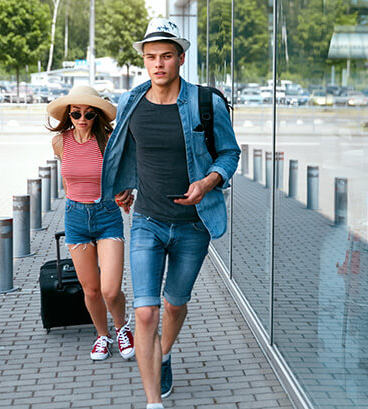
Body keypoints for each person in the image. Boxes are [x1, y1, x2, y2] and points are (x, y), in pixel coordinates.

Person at [100, 18, 240, 409]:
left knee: (175, 304)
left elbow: (230, 153)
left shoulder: (205, 103)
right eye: (150, 57)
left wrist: (208, 182)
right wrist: (121, 187)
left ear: (180, 57)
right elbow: (123, 150)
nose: (158, 64)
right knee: (145, 313)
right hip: (147, 220)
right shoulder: (130, 103)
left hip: (193, 227)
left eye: (165, 56)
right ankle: (153, 403)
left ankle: (162, 354)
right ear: (144, 61)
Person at [46, 85, 135, 362]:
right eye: (76, 113)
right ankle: (102, 335)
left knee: (110, 289)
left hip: (107, 216)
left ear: (97, 115)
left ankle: (122, 328)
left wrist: (126, 190)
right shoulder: (60, 142)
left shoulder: (108, 140)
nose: (82, 119)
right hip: (75, 217)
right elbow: (67, 178)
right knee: (92, 289)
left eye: (89, 114)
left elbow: (126, 171)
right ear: (68, 115)